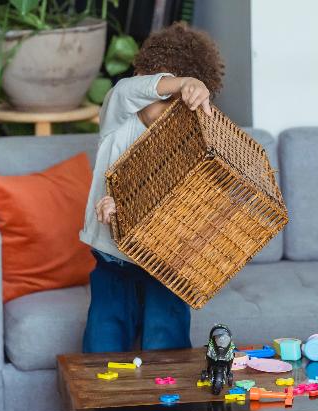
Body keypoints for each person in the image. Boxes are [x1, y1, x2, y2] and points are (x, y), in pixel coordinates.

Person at [79, 22, 224, 353]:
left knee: (166, 344)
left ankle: (167, 406)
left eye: (176, 102)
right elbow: (133, 89)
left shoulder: (184, 141)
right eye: (161, 91)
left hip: (165, 265)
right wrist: (185, 83)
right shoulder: (119, 114)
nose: (164, 106)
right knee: (103, 341)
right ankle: (106, 404)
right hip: (112, 260)